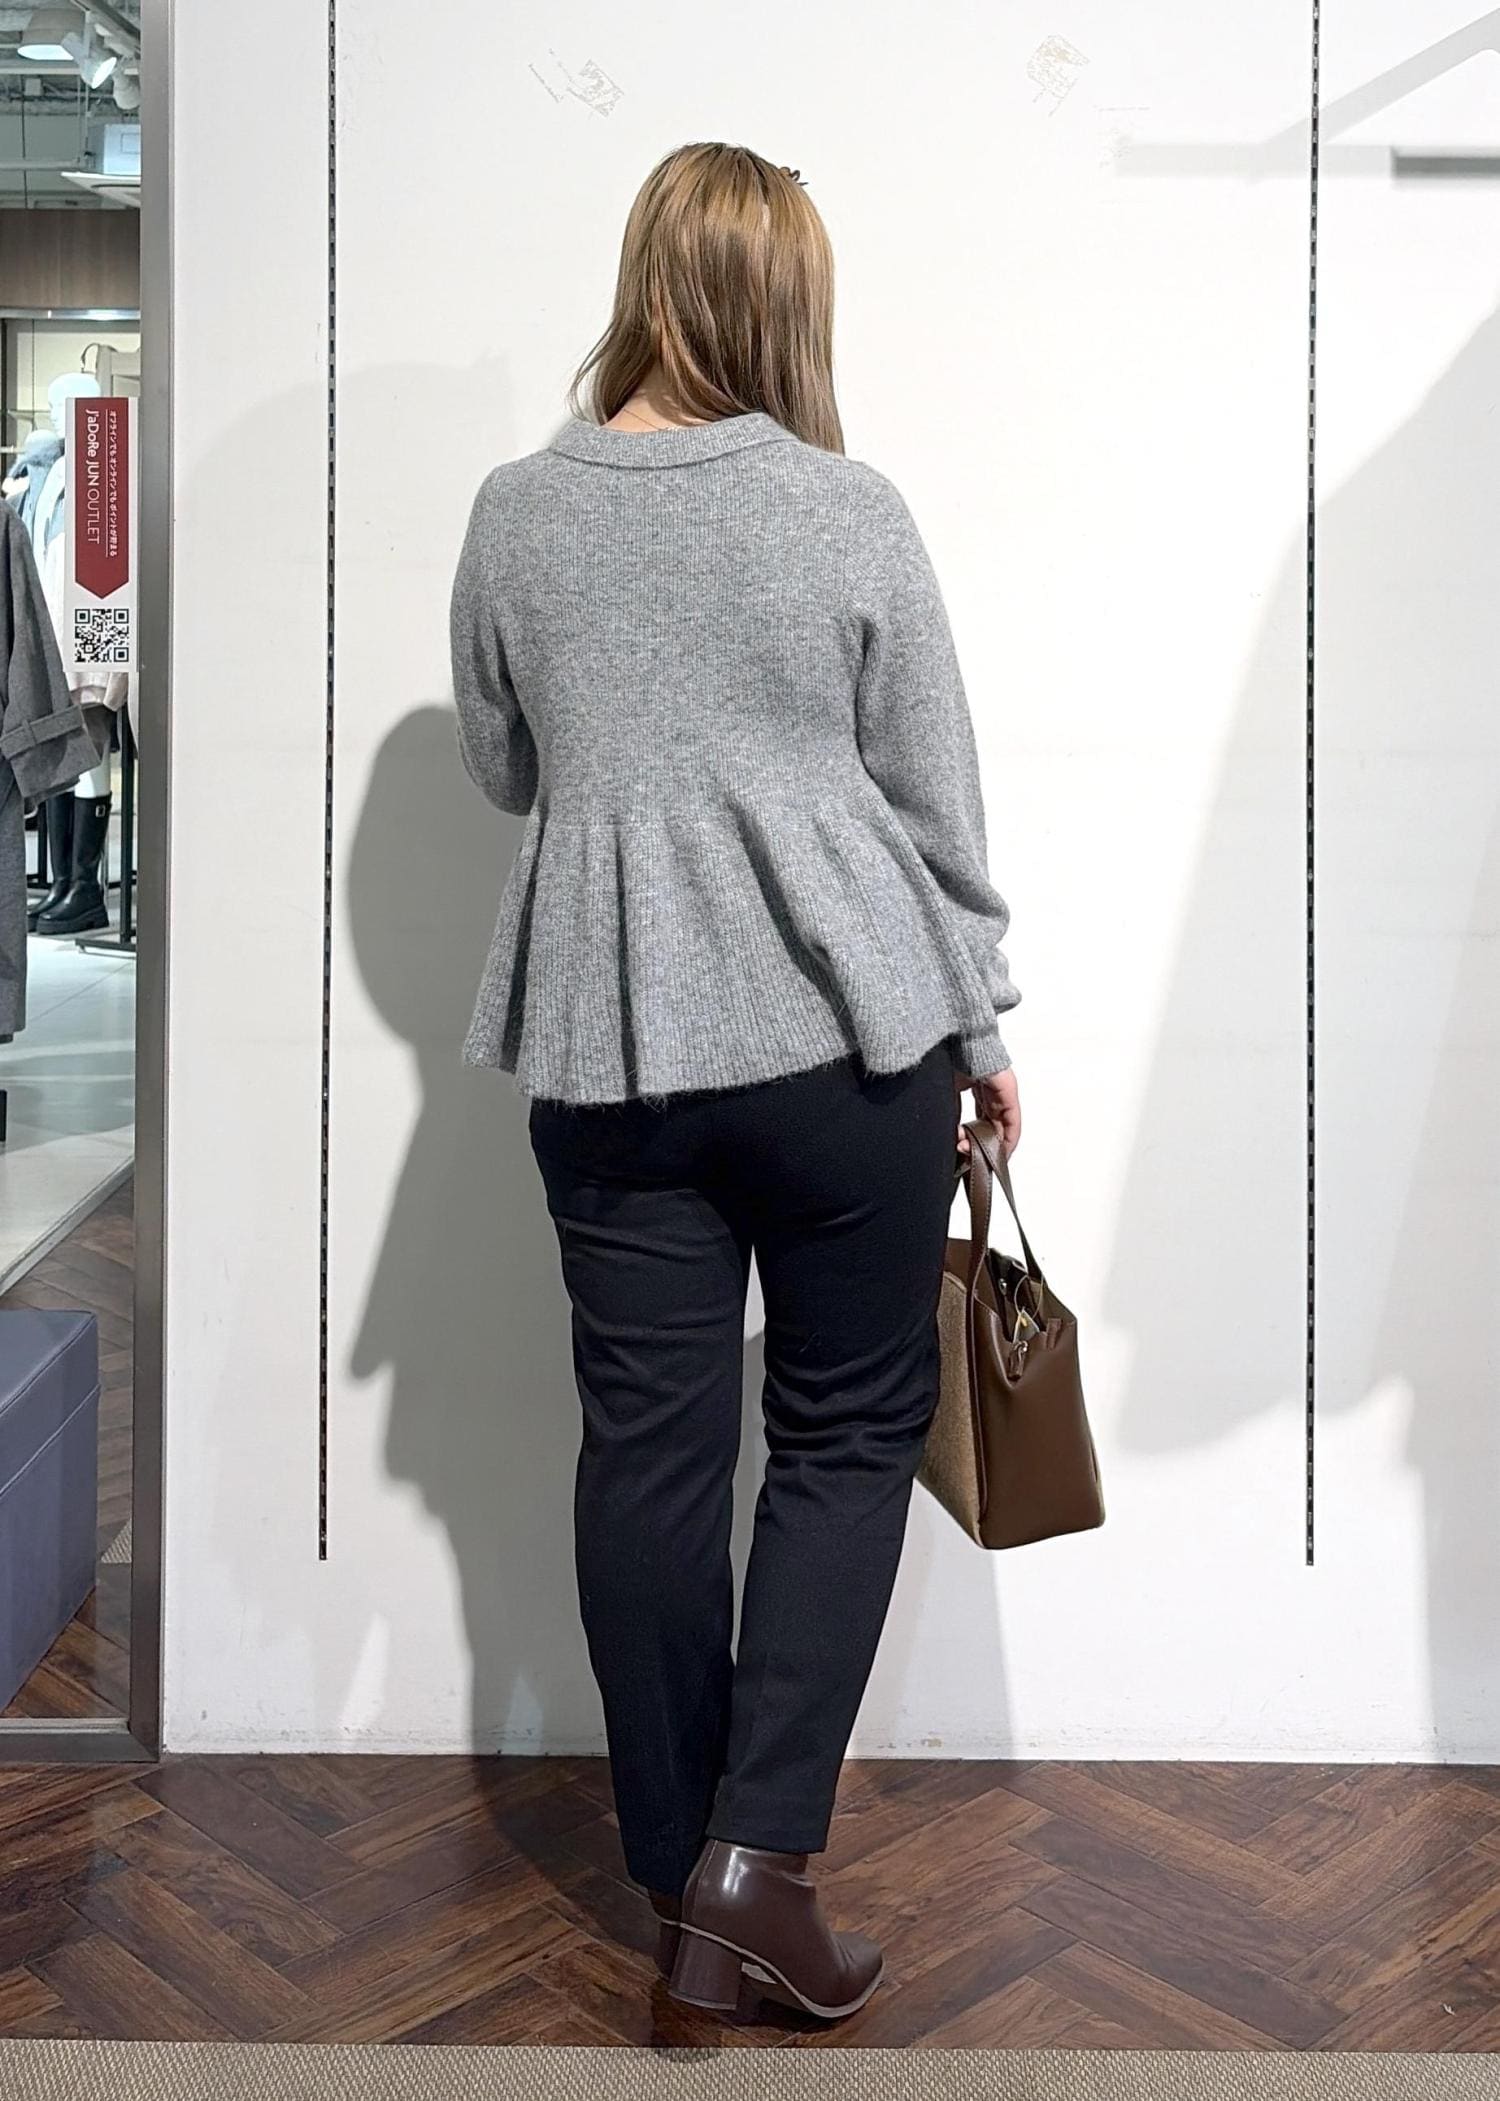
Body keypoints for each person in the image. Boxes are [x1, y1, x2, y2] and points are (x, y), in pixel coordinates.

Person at [450, 140, 1022, 2023]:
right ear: (785, 301)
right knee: (850, 1429)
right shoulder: (849, 510)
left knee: (649, 1454)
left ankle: (673, 1864)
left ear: (645, 278)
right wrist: (983, 1029)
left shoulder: (517, 513)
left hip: (613, 1045)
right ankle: (756, 1872)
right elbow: (935, 807)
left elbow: (504, 766)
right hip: (852, 1051)